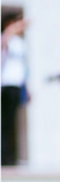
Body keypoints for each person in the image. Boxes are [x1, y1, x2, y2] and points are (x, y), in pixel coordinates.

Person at [1, 12, 28, 167]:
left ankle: (8, 156)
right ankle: (3, 156)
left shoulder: (21, 43)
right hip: (5, 85)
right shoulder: (5, 38)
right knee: (3, 123)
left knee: (10, 123)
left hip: (17, 86)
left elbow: (23, 68)